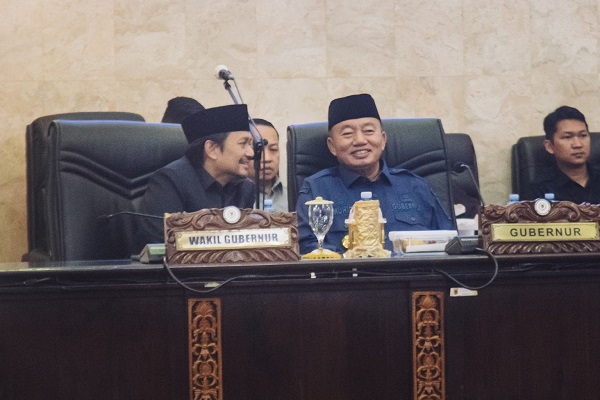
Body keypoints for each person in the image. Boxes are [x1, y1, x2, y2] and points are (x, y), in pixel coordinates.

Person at [296, 93, 453, 254]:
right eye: (347, 134)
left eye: (369, 131)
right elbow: (307, 248)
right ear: (332, 146)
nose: (360, 140)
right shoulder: (317, 190)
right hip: (348, 270)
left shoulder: (415, 186)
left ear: (383, 140)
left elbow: (449, 242)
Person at [135, 104, 255, 248]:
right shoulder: (169, 181)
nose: (251, 153)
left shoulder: (246, 188)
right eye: (243, 144)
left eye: (251, 144)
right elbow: (163, 246)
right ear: (212, 149)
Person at [530, 105, 600, 204]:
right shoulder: (540, 189)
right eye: (567, 137)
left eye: (583, 135)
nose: (578, 144)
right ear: (549, 146)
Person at [248, 118, 288, 211]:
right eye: (258, 150)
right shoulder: (233, 200)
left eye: (273, 149)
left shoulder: (294, 197)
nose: (267, 158)